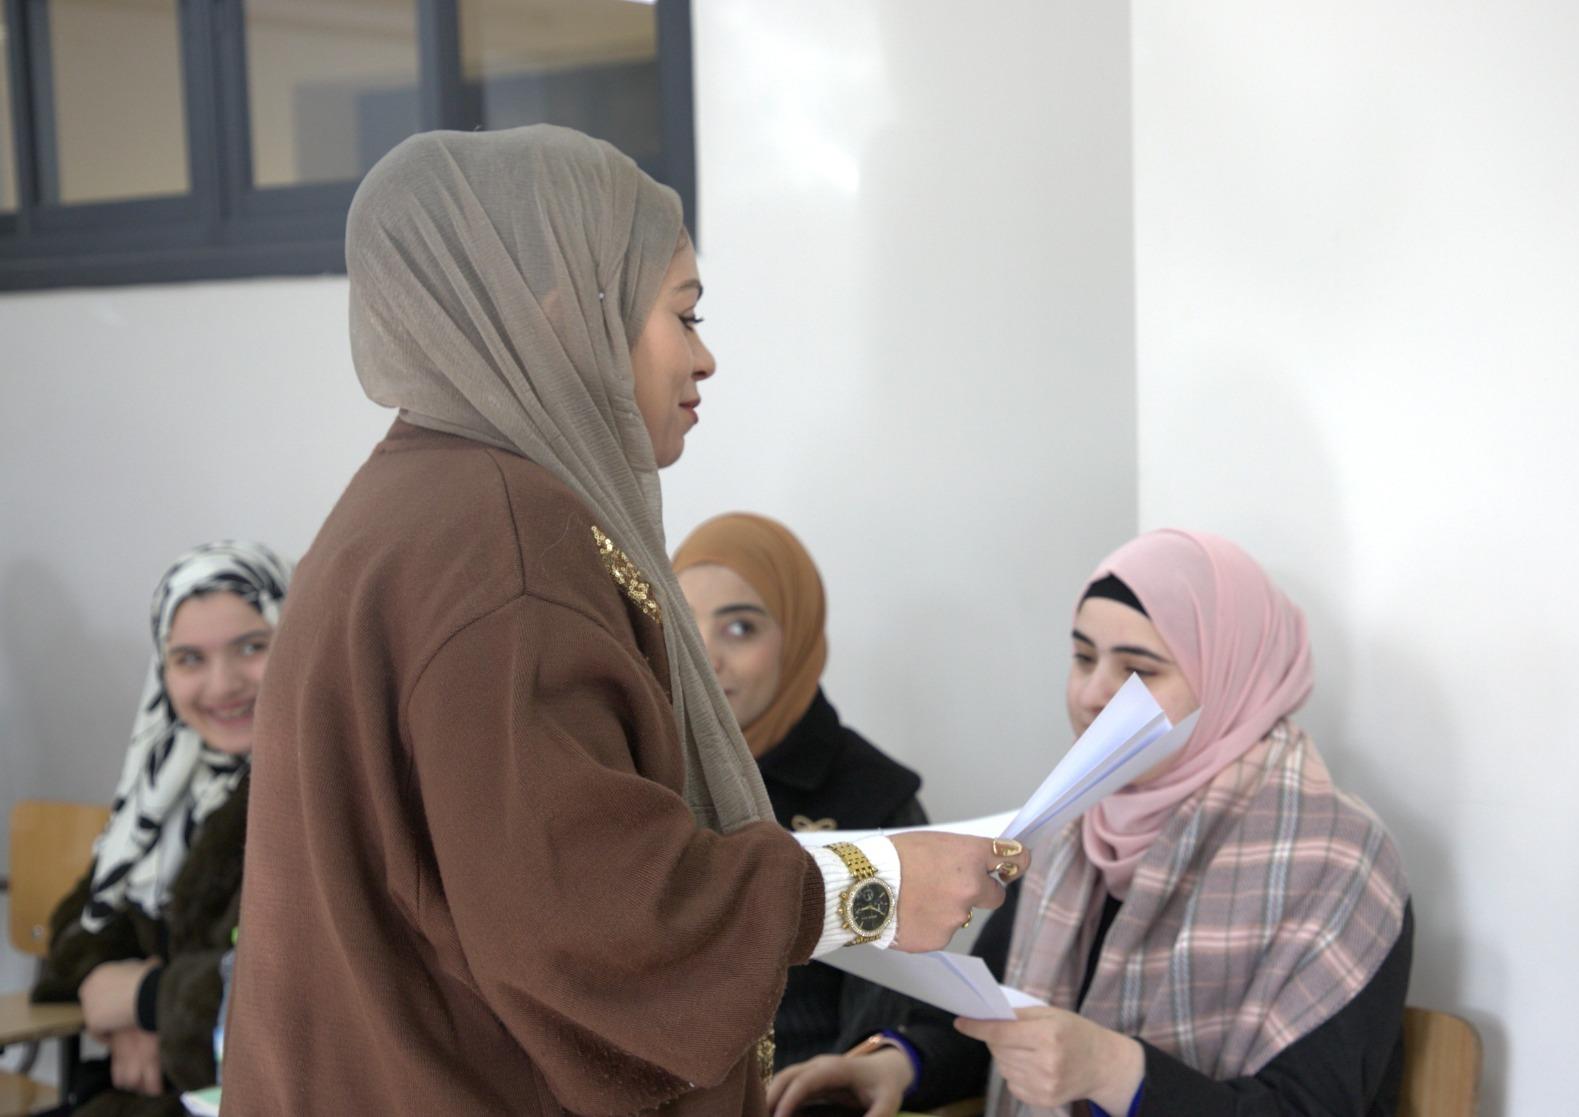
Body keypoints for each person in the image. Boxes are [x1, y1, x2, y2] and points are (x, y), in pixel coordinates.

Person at [219, 125, 1026, 1117]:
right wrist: (870, 883)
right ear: (568, 314)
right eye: (683, 313)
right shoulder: (506, 543)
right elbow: (587, 909)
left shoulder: (414, 502)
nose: (705, 356)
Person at [771, 529, 1412, 1117]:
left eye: (1138, 671)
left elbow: (1315, 1105)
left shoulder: (1334, 860)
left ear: (1230, 678)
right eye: (1083, 658)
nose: (1092, 695)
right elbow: (998, 1020)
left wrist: (1114, 1071)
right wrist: (895, 1066)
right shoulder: (1075, 824)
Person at [32, 541, 292, 1117]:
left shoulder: (322, 791)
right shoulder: (166, 786)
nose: (222, 685)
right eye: (189, 659)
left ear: (298, 640)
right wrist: (123, 1008)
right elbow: (78, 934)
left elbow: (303, 1007)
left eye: (253, 647)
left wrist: (148, 1000)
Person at [673, 512, 929, 1069]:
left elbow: (875, 1033)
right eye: (683, 626)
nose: (706, 657)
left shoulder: (874, 800)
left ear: (798, 635)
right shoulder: (641, 774)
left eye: (740, 628)